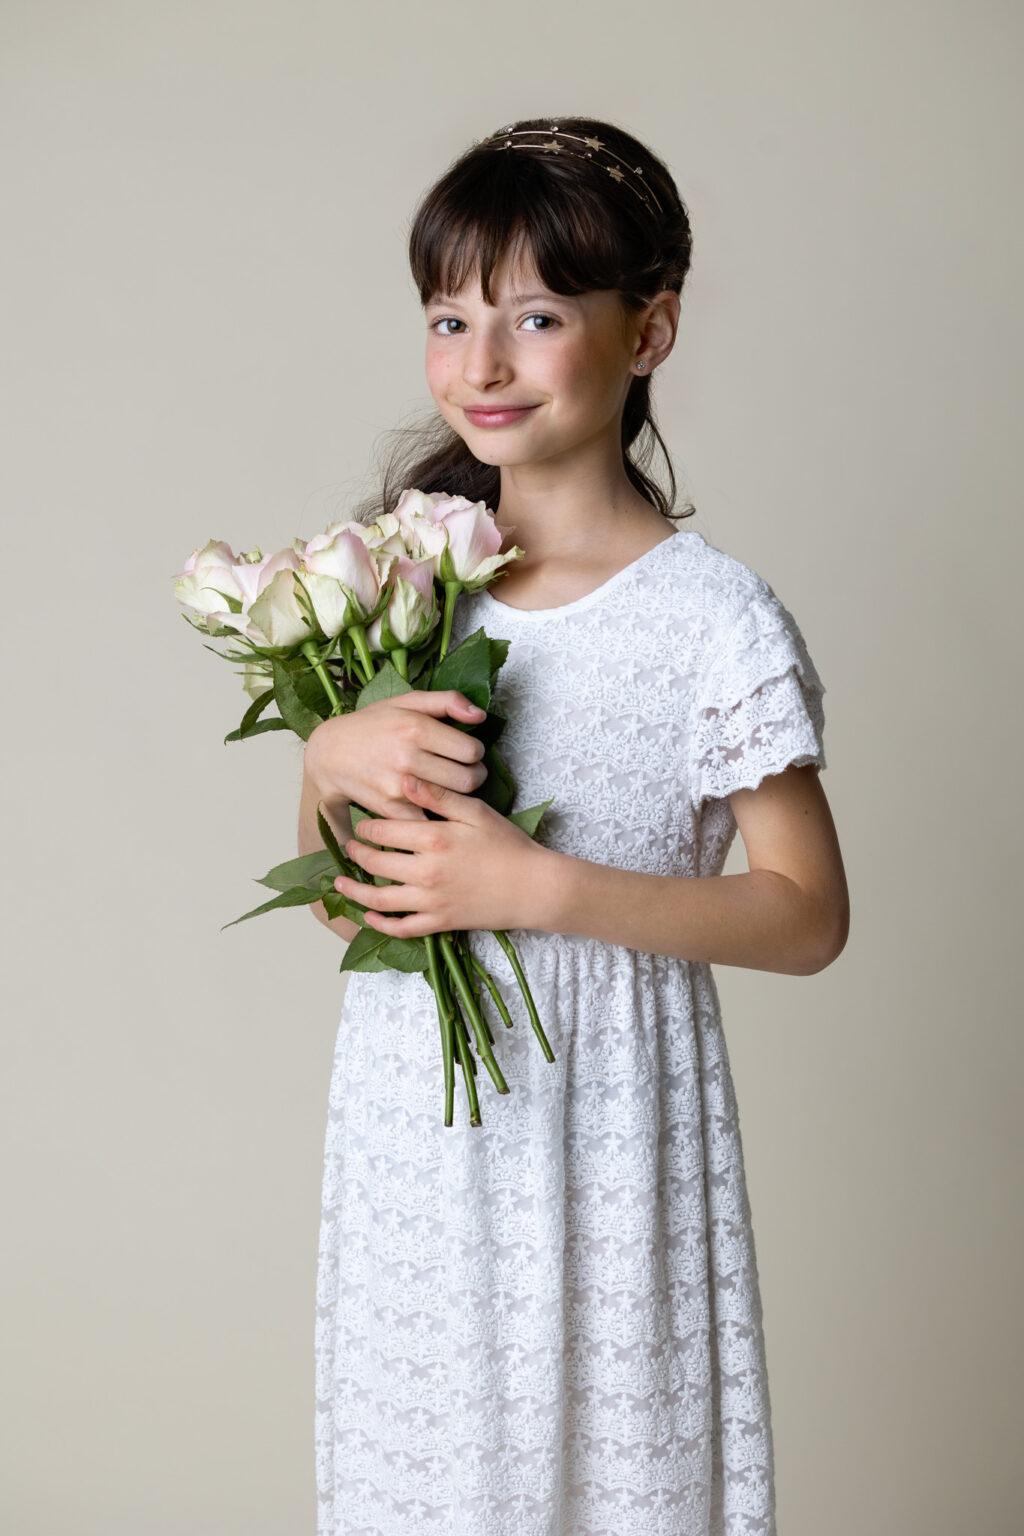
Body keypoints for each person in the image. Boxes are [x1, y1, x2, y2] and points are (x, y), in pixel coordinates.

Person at [298, 115, 849, 1536]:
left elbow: (805, 913)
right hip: (417, 1129)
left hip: (607, 1134)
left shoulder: (710, 615)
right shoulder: (407, 590)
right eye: (450, 317)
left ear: (648, 330)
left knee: (609, 1476)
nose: (481, 364)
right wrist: (329, 751)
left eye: (537, 317)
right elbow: (354, 907)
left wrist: (540, 888)